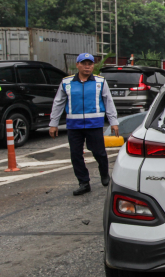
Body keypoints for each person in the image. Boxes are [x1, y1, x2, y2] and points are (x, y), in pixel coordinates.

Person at [49, 53, 119, 196]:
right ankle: (84, 182)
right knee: (76, 155)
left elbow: (108, 102)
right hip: (74, 126)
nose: (88, 67)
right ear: (78, 65)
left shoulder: (100, 82)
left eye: (90, 64)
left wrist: (114, 122)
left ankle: (104, 174)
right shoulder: (67, 82)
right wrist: (53, 123)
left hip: (94, 124)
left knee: (99, 153)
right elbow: (58, 103)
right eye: (84, 64)